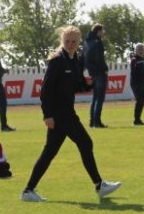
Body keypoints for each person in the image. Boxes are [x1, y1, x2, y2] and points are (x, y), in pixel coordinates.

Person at [20, 25, 122, 202]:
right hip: (60, 114)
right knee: (85, 143)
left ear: (79, 41)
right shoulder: (57, 61)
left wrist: (89, 85)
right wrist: (47, 115)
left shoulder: (76, 60)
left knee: (49, 152)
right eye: (67, 41)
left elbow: (76, 85)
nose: (70, 44)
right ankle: (99, 185)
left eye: (74, 41)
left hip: (67, 112)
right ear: (62, 41)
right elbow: (45, 91)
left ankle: (28, 191)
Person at [83, 24, 109, 128]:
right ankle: (97, 122)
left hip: (92, 72)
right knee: (100, 98)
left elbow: (84, 57)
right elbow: (99, 58)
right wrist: (105, 68)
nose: (103, 33)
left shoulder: (87, 42)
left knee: (95, 98)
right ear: (98, 31)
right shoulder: (98, 43)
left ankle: (92, 121)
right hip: (100, 72)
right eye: (102, 31)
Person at [129, 43, 144, 126]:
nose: (141, 51)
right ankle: (136, 120)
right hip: (136, 83)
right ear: (136, 50)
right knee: (139, 101)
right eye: (139, 49)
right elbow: (133, 72)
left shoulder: (142, 59)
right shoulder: (134, 59)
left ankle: (138, 119)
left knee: (142, 102)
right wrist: (139, 81)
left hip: (141, 83)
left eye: (142, 49)